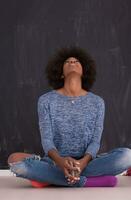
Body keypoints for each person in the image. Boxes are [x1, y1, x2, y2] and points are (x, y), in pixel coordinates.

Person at [8, 46, 131, 187]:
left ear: (84, 72)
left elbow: (95, 142)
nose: (72, 62)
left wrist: (82, 163)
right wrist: (60, 162)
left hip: (88, 162)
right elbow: (47, 140)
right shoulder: (46, 100)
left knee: (127, 156)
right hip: (55, 161)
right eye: (67, 62)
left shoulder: (97, 102)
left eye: (76, 62)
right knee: (14, 161)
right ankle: (87, 181)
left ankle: (50, 179)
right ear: (61, 73)